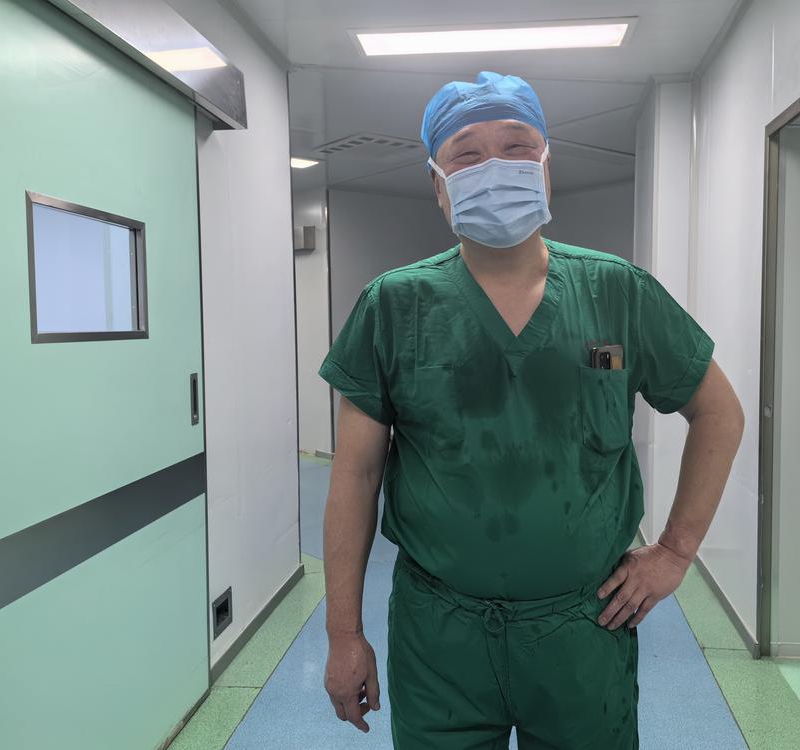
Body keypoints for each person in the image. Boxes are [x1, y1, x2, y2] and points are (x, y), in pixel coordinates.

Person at [318, 70, 744, 749]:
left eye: (517, 146)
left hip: (583, 627)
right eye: (467, 154)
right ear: (438, 184)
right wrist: (344, 633)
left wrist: (674, 552)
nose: (495, 166)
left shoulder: (617, 293)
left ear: (547, 165)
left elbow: (720, 412)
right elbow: (356, 474)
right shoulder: (393, 306)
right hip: (440, 634)